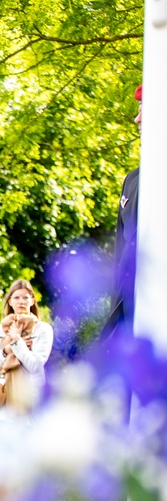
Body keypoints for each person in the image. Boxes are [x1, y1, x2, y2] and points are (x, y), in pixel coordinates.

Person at [105, 84, 143, 338]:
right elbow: (121, 249)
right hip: (130, 305)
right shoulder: (132, 180)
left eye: (143, 110)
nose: (136, 119)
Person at [0, 280, 53, 419]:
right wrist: (6, 350)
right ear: (10, 301)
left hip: (28, 400)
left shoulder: (43, 329)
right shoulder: (1, 328)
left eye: (25, 297)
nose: (21, 301)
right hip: (0, 401)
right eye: (16, 297)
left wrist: (16, 340)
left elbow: (35, 365)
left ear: (32, 301)